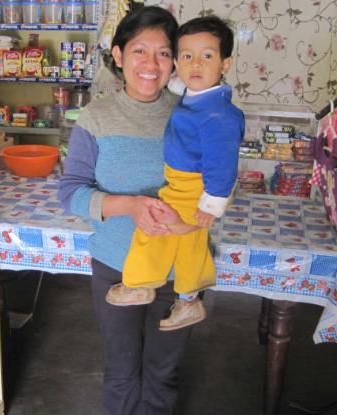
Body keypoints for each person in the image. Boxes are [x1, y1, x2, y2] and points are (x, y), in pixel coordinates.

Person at [59, 6, 197, 415]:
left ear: (174, 61)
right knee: (122, 370)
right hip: (115, 265)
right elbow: (71, 192)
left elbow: (214, 187)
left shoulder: (189, 117)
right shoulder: (95, 117)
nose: (151, 64)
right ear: (118, 56)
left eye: (163, 53)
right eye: (139, 50)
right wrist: (131, 206)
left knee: (162, 373)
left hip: (176, 270)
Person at [105, 15, 245, 332]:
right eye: (186, 56)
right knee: (189, 243)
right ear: (178, 64)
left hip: (191, 186)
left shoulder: (218, 114)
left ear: (225, 64)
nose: (195, 64)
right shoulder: (199, 97)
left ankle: (139, 284)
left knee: (154, 226)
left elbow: (223, 163)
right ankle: (189, 301)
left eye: (207, 56)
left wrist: (211, 205)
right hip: (183, 181)